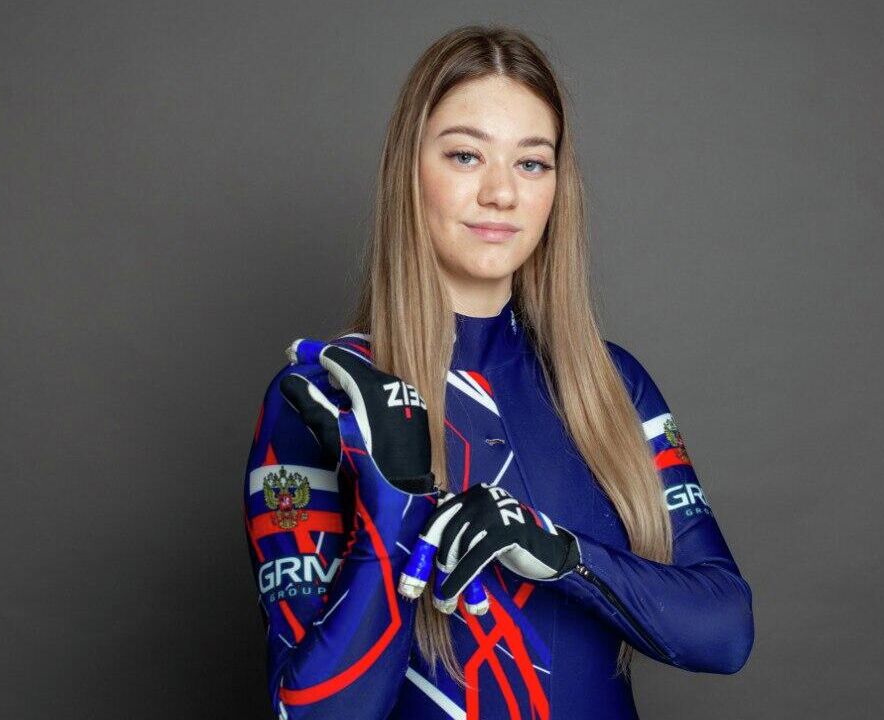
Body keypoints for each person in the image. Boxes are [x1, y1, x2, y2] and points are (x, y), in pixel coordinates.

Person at [243, 25, 754, 720]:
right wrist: (392, 515)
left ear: (557, 188)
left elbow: (725, 632)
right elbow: (310, 714)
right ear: (408, 171)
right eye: (465, 155)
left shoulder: (613, 387)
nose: (501, 193)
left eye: (531, 163)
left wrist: (560, 554)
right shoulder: (327, 401)